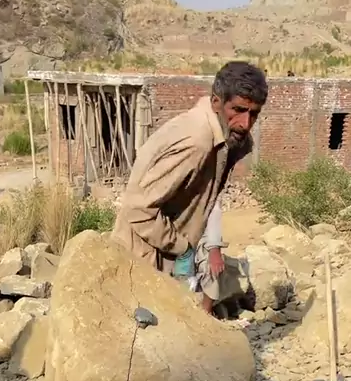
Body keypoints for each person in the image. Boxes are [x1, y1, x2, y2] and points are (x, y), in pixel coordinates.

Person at [111, 61, 268, 281]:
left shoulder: (226, 138)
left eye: (254, 114)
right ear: (216, 102)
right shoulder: (198, 141)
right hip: (142, 259)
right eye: (238, 110)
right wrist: (183, 248)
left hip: (166, 255)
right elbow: (138, 210)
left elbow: (208, 199)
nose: (246, 123)